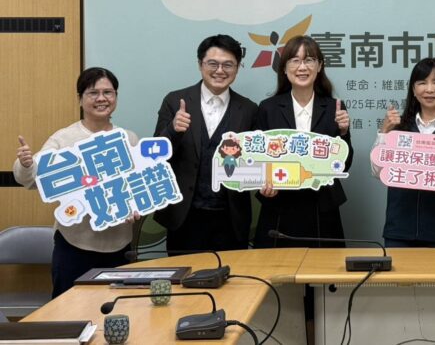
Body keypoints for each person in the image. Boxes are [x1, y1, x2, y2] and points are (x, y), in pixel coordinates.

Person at [14, 67, 138, 297]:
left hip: (120, 246)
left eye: (108, 92)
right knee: (69, 310)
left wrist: (136, 205)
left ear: (116, 97)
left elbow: (136, 186)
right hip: (74, 246)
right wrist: (26, 164)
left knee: (118, 308)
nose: (101, 98)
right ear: (80, 99)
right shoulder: (63, 139)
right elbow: (31, 180)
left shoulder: (129, 138)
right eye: (93, 93)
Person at [154, 34, 257, 252]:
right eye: (213, 63)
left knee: (234, 273)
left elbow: (256, 160)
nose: (220, 71)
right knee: (184, 273)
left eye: (228, 65)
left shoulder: (249, 109)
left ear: (237, 68)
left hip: (231, 219)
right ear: (200, 64)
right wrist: (173, 129)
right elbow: (156, 156)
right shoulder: (175, 101)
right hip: (184, 216)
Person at [253, 35, 353, 249]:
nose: (302, 67)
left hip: (322, 207)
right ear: (284, 68)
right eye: (295, 60)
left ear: (319, 66)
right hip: (279, 205)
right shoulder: (268, 108)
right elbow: (255, 159)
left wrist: (343, 133)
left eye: (309, 60)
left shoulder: (334, 107)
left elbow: (343, 165)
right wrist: (263, 185)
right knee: (274, 267)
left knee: (324, 268)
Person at [373, 58, 435, 247]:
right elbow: (378, 172)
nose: (429, 89)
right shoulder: (398, 128)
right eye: (422, 83)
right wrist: (384, 132)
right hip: (400, 232)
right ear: (413, 89)